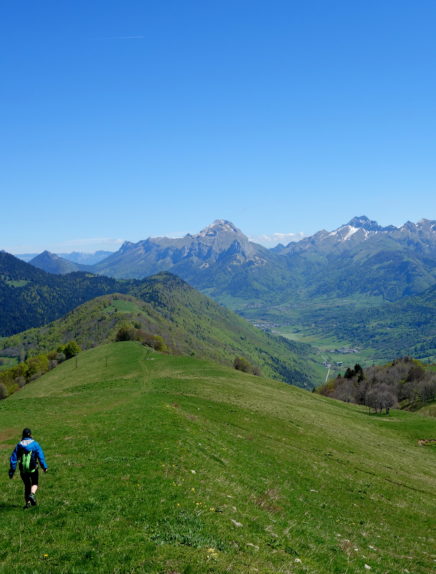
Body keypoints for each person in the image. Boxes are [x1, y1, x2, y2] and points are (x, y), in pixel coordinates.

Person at [9, 428, 48, 509]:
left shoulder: (19, 445)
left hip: (23, 470)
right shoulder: (35, 444)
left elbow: (13, 459)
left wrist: (12, 471)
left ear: (23, 435)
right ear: (30, 435)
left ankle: (28, 504)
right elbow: (41, 457)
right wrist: (44, 467)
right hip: (33, 468)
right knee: (35, 483)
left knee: (27, 486)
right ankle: (32, 495)